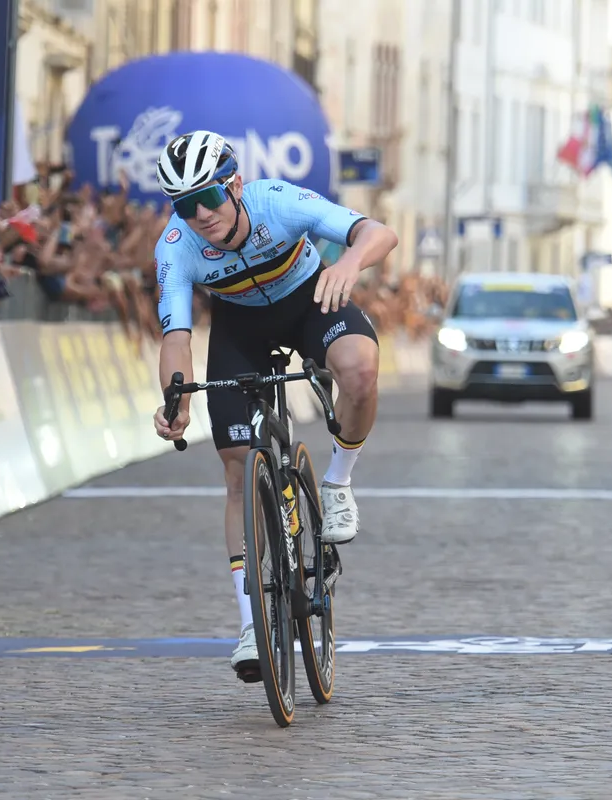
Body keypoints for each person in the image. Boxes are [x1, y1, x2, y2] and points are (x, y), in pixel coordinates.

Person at [150, 130, 398, 680]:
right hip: (240, 331)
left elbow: (378, 232)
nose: (201, 215)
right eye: (184, 206)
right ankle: (249, 626)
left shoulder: (277, 202)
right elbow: (176, 335)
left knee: (358, 370)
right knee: (238, 470)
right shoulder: (176, 247)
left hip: (311, 300)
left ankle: (337, 480)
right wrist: (175, 398)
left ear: (234, 185)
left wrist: (349, 264)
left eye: (209, 197)